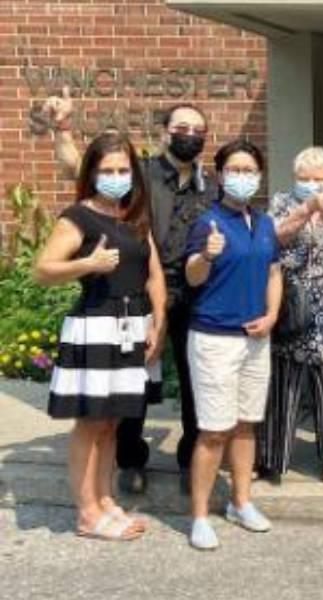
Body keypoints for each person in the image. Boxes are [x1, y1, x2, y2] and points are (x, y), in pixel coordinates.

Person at [43, 89, 215, 495]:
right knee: (131, 381)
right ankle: (131, 459)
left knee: (196, 383)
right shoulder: (139, 175)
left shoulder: (211, 190)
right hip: (136, 292)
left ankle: (193, 460)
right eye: (181, 128)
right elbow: (79, 167)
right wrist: (62, 128)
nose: (189, 135)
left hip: (193, 293)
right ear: (164, 132)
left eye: (198, 130)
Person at [34, 131, 166, 540]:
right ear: (92, 173)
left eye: (123, 169)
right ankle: (87, 512)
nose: (116, 176)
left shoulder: (132, 216)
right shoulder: (78, 217)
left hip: (132, 326)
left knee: (111, 423)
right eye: (107, 170)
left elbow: (154, 273)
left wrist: (158, 321)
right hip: (95, 327)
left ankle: (105, 499)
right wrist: (88, 263)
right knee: (89, 424)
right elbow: (43, 270)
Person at [183, 139, 281, 550]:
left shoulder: (265, 224)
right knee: (213, 432)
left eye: (250, 170)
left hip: (256, 339)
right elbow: (191, 277)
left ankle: (241, 502)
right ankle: (200, 516)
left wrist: (273, 315)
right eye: (235, 170)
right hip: (214, 340)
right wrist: (205, 255)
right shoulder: (207, 222)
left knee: (245, 425)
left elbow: (274, 272)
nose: (243, 177)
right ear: (220, 175)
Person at [255, 147, 323, 484]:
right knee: (283, 386)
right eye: (305, 179)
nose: (313, 185)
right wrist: (305, 209)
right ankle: (272, 457)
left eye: (319, 179)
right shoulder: (282, 204)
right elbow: (273, 237)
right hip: (291, 307)